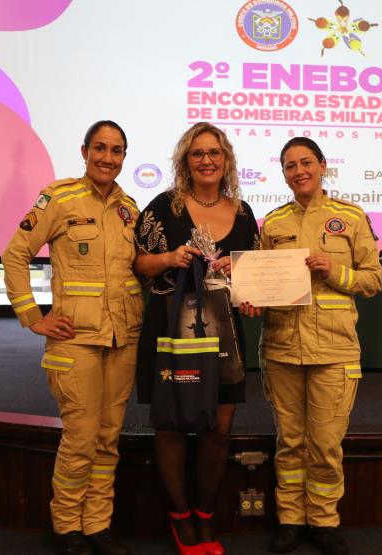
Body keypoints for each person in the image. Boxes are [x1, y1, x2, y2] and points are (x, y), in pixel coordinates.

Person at [2, 120, 140, 555]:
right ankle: (66, 525)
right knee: (80, 437)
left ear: (124, 157)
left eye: (116, 150)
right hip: (75, 338)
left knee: (108, 438)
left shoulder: (129, 208)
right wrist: (32, 315)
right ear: (84, 152)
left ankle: (97, 524)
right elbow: (15, 254)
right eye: (100, 148)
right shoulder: (59, 198)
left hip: (122, 339)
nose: (107, 158)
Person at [244, 137, 382, 555]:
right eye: (290, 166)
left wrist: (335, 270)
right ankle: (290, 520)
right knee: (289, 441)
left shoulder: (350, 216)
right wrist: (251, 297)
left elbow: (373, 279)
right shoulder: (273, 223)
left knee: (325, 444)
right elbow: (260, 280)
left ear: (323, 165)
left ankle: (323, 521)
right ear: (283, 173)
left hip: (335, 350)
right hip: (282, 347)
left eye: (306, 162)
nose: (299, 171)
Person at [134, 122, 259, 555]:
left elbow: (252, 274)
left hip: (224, 332)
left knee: (219, 429)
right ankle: (180, 517)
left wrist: (242, 280)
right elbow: (138, 263)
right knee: (171, 423)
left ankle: (205, 514)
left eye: (214, 153)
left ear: (227, 159)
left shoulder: (243, 213)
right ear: (185, 160)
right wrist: (170, 258)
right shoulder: (162, 207)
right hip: (171, 328)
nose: (207, 160)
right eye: (197, 153)